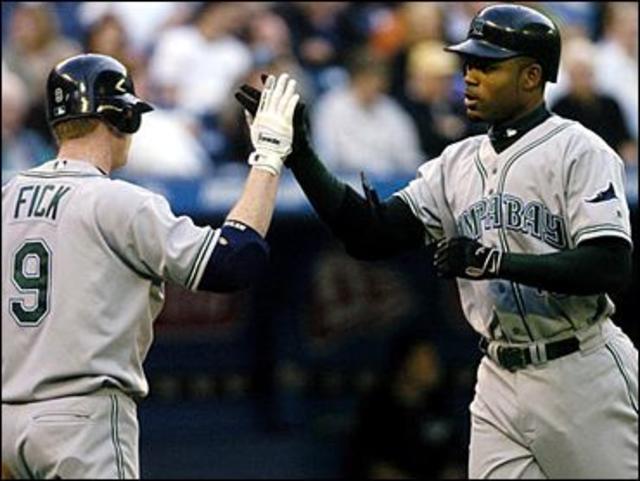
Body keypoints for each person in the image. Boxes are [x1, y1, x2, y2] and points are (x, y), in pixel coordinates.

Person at [235, 4, 638, 478]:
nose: (469, 75)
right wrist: (300, 155)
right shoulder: (456, 162)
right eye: (468, 63)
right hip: (499, 378)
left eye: (487, 65)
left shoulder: (580, 149)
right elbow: (371, 235)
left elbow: (609, 266)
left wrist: (495, 260)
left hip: (582, 368)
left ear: (532, 76)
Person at [1, 53, 299, 478]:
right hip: (80, 423)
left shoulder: (8, 195)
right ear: (119, 117)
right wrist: (268, 158)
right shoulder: (118, 201)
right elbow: (233, 262)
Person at [343, 334, 461, 479]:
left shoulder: (439, 405)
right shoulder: (378, 408)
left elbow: (453, 460)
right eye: (427, 361)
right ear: (405, 363)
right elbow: (373, 466)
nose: (435, 367)